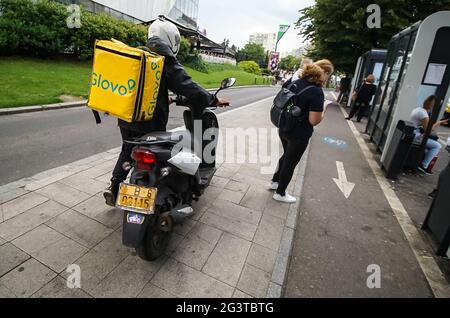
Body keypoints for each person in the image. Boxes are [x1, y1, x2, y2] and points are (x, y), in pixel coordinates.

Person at [103, 18, 229, 206]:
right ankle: (164, 191)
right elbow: (186, 85)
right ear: (171, 39)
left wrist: (167, 98)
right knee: (164, 152)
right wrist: (212, 99)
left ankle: (113, 186)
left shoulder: (141, 54)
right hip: (150, 121)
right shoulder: (163, 58)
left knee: (127, 149)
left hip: (127, 116)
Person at [270, 59, 334, 203]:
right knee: (291, 161)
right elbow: (314, 120)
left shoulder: (294, 82)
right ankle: (280, 193)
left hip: (283, 126)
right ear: (325, 74)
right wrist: (323, 108)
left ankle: (275, 181)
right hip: (298, 134)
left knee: (287, 155)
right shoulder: (316, 92)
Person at [409, 95, 448, 175]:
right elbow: (428, 130)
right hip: (415, 136)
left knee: (428, 149)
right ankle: (424, 166)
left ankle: (420, 163)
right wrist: (439, 123)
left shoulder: (419, 109)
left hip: (413, 133)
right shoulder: (424, 114)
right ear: (432, 104)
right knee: (437, 146)